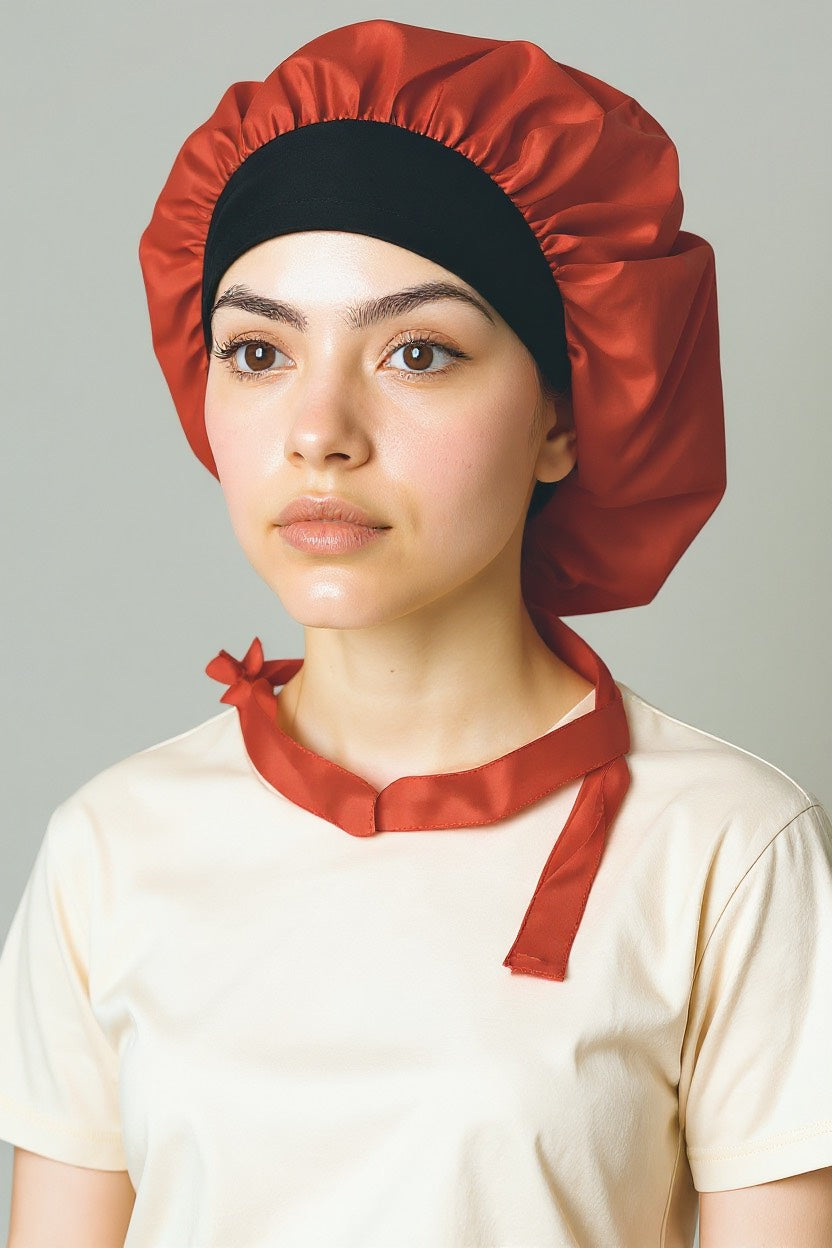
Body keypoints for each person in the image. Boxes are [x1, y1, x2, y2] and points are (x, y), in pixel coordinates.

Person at [1, 18, 831, 1248]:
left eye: (418, 351)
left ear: (564, 417)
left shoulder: (726, 849)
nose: (318, 429)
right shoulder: (108, 850)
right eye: (257, 350)